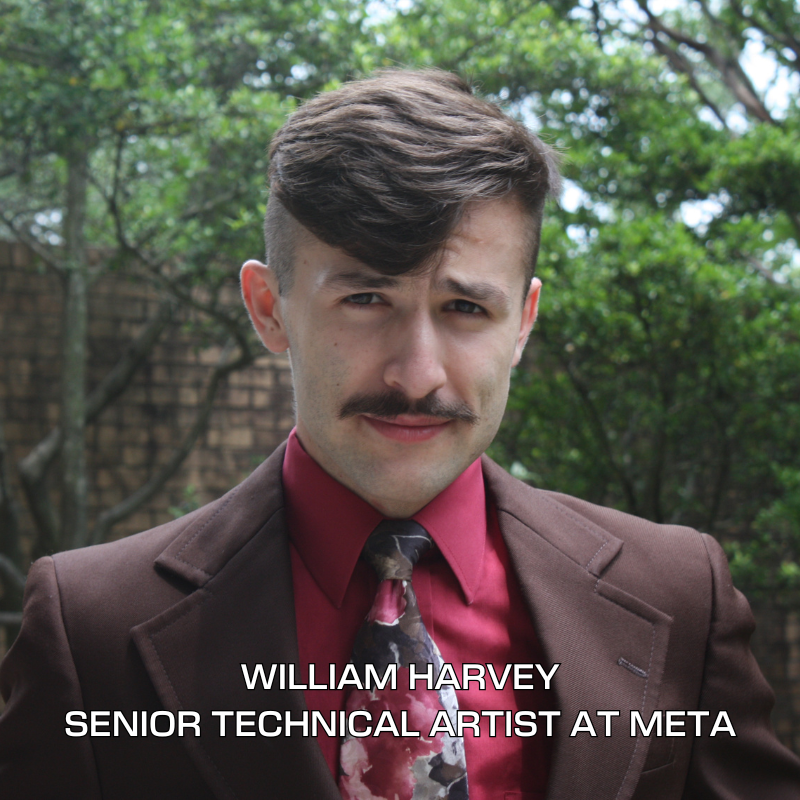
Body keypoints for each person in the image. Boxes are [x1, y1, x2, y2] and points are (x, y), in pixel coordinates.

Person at [0, 69, 798, 800]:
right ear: (269, 308)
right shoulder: (90, 628)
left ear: (523, 323)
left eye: (465, 308)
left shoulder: (678, 597)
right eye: (366, 300)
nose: (417, 375)